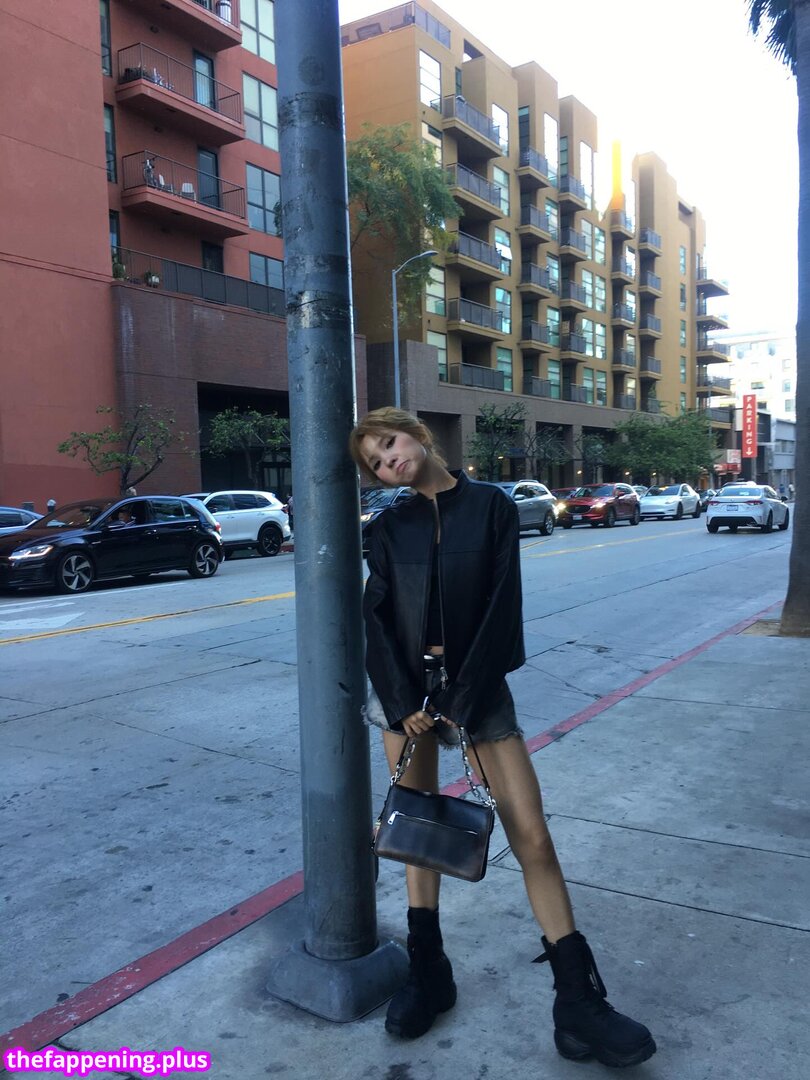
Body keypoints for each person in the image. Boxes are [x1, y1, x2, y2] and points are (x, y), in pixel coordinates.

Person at [349, 408, 656, 1069]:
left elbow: (501, 611)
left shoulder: (490, 507)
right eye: (375, 461)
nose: (389, 460)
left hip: (477, 691)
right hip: (409, 698)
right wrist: (402, 704)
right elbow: (375, 620)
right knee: (419, 834)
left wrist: (463, 700)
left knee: (533, 837)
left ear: (418, 434)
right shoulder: (388, 527)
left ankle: (578, 1002)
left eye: (390, 442)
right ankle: (429, 974)